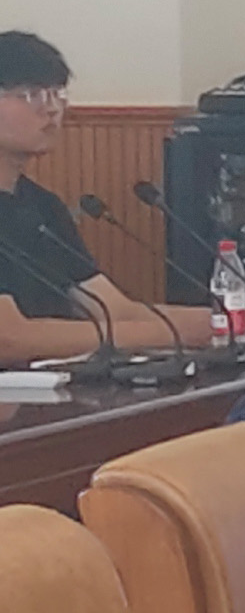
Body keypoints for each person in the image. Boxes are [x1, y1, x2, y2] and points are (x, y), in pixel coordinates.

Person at [0, 31, 197, 364]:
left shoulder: (43, 207)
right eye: (32, 95)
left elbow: (114, 309)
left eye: (57, 93)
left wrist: (229, 320)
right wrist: (178, 334)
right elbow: (10, 338)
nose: (52, 109)